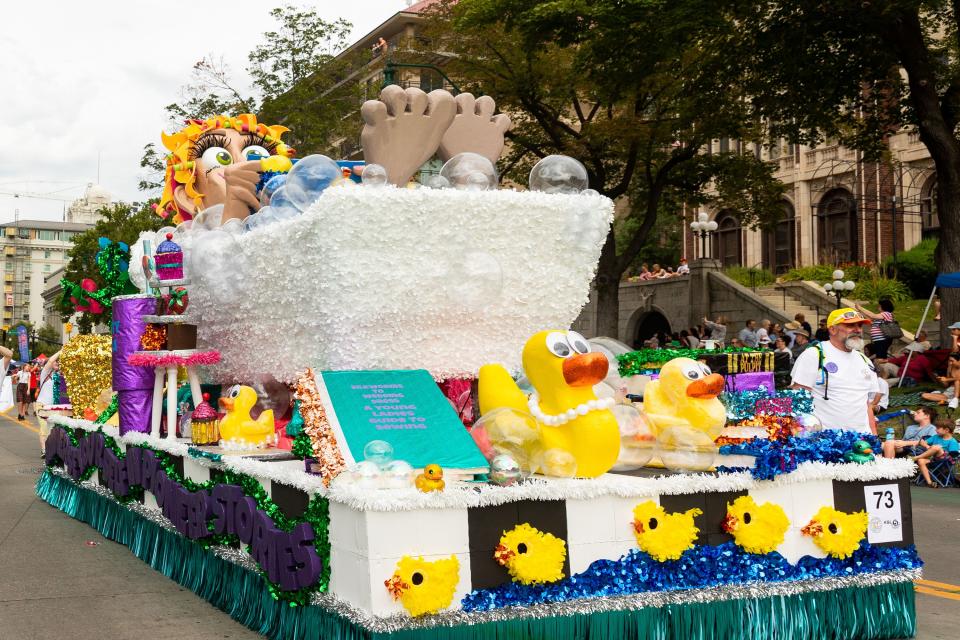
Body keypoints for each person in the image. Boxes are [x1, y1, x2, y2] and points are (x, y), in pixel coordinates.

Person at [790, 307, 878, 434]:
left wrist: (874, 436)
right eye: (850, 325)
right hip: (826, 442)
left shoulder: (864, 360)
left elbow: (867, 405)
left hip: (861, 441)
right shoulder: (814, 354)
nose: (858, 330)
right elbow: (799, 399)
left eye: (859, 325)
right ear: (832, 329)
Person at [913, 419, 960, 487]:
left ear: (946, 430)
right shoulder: (936, 437)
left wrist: (937, 449)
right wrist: (927, 446)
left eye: (938, 428)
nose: (935, 430)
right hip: (934, 460)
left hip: (945, 463)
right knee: (921, 461)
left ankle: (916, 458)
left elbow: (953, 455)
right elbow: (922, 442)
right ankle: (930, 482)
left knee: (936, 447)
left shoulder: (953, 441)